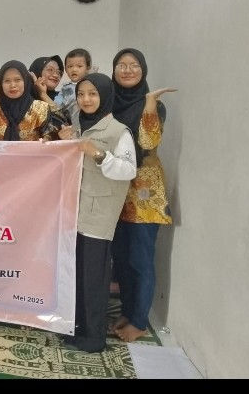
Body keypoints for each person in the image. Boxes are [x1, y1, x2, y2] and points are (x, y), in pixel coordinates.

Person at [58, 73, 137, 353]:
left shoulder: (118, 131)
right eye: (81, 94)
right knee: (75, 275)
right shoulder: (80, 125)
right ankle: (76, 328)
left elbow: (128, 170)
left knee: (94, 278)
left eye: (92, 94)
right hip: (74, 212)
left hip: (98, 216)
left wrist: (98, 154)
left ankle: (93, 337)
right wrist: (68, 141)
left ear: (104, 95)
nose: (86, 99)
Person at [110, 49, 176, 343]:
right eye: (121, 65)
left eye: (134, 65)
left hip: (144, 195)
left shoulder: (154, 106)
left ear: (143, 69)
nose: (127, 70)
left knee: (140, 259)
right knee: (121, 259)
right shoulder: (110, 102)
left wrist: (149, 104)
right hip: (116, 190)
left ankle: (138, 321)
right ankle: (127, 311)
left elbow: (148, 143)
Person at [0, 60, 57, 141]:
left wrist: (46, 139)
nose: (12, 85)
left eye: (17, 80)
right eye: (7, 81)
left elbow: (52, 139)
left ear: (26, 81)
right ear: (1, 84)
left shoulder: (40, 108)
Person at [55, 49, 92, 132]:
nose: (74, 69)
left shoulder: (93, 85)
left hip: (89, 124)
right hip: (70, 126)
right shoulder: (65, 88)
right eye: (70, 66)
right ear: (66, 69)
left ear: (88, 68)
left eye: (79, 66)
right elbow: (57, 104)